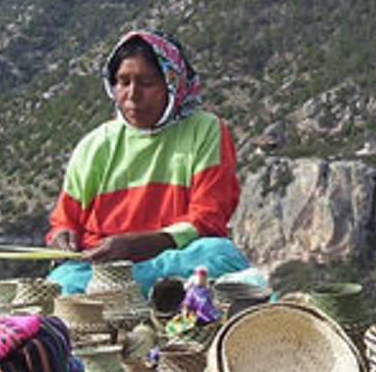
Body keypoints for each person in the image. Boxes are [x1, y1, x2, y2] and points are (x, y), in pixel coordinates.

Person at [44, 29, 249, 295]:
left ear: (172, 83)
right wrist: (62, 238)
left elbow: (209, 217)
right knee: (61, 285)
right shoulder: (94, 146)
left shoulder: (205, 129)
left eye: (147, 82)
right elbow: (65, 220)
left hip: (173, 258)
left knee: (220, 255)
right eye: (123, 82)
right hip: (102, 271)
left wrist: (146, 243)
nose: (132, 94)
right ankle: (146, 293)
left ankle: (126, 294)